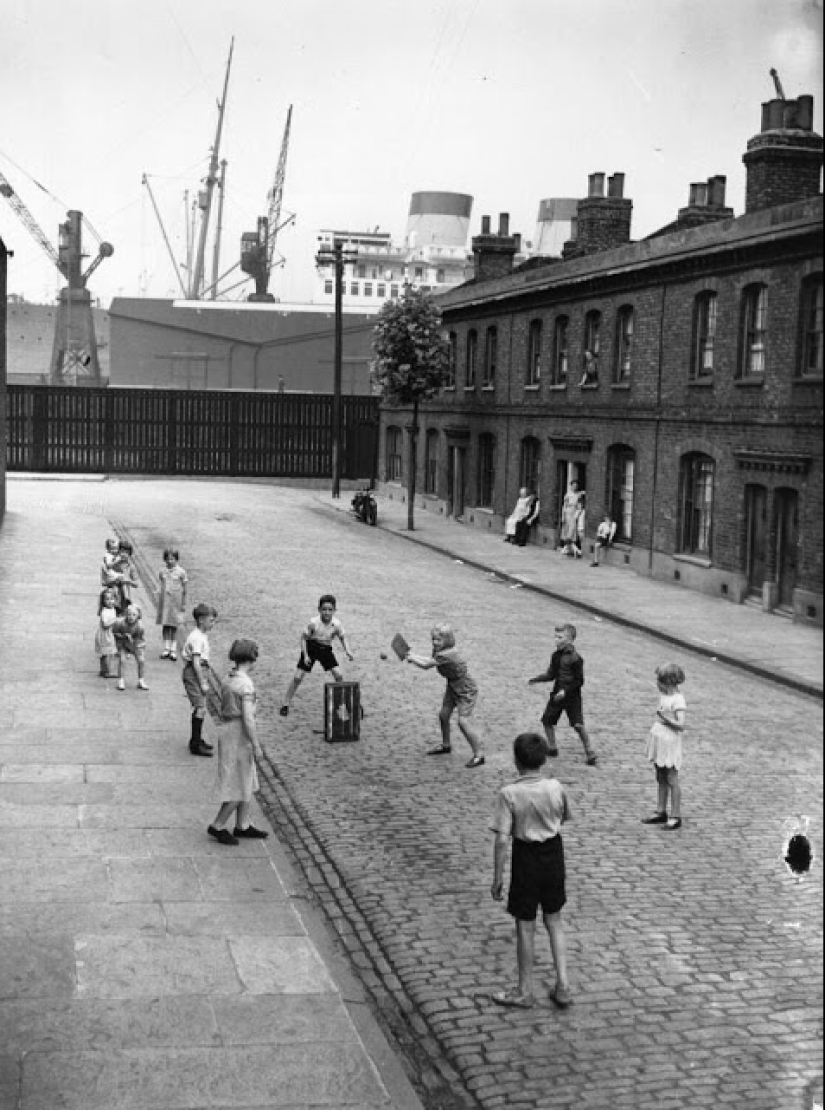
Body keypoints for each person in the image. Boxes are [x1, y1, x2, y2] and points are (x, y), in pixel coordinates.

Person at [490, 732, 572, 1010]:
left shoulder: (509, 794)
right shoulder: (555, 787)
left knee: (525, 924)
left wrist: (498, 876)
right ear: (543, 759)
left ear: (516, 760)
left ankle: (525, 990)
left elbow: (502, 839)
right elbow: (564, 816)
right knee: (554, 919)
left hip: (526, 858)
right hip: (553, 854)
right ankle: (563, 984)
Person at [208, 639, 269, 846]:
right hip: (238, 734)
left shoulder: (228, 677)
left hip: (227, 730)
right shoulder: (245, 684)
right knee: (239, 783)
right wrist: (256, 744)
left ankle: (243, 824)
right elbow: (248, 719)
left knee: (246, 778)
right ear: (252, 658)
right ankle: (218, 825)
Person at [406, 623, 485, 768]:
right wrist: (412, 655)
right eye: (433, 639)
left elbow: (426, 665)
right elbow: (428, 660)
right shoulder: (440, 651)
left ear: (447, 640)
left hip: (465, 689)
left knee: (463, 722)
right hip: (453, 685)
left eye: (438, 640)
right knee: (443, 715)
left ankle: (479, 755)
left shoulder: (447, 654)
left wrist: (411, 657)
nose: (435, 642)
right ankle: (446, 745)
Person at [528, 622, 597, 765]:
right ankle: (552, 746)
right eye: (556, 636)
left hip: (572, 696)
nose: (556, 640)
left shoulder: (576, 658)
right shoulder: (555, 656)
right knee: (547, 720)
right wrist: (537, 679)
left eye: (560, 637)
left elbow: (579, 680)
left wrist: (565, 691)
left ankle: (589, 751)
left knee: (578, 724)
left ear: (570, 640)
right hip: (557, 692)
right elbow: (551, 674)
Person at [280, 594, 354, 716]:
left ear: (335, 610)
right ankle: (286, 703)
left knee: (338, 675)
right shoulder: (313, 623)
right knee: (298, 676)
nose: (327, 612)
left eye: (330, 610)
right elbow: (303, 638)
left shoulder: (337, 624)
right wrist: (306, 655)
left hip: (325, 649)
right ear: (319, 609)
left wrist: (348, 650)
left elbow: (342, 637)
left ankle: (342, 703)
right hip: (311, 647)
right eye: (324, 609)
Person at [642, 664, 686, 831]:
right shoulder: (664, 696)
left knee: (672, 778)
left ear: (668, 682)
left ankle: (675, 815)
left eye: (660, 681)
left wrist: (665, 719)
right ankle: (661, 810)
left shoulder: (678, 699)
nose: (657, 684)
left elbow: (680, 724)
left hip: (669, 742)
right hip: (660, 740)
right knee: (660, 775)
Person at [182, 603, 218, 757]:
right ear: (201, 620)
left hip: (201, 670)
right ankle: (195, 743)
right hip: (195, 672)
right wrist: (202, 681)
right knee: (200, 707)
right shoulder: (197, 638)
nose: (213, 623)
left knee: (201, 707)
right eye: (211, 620)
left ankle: (196, 739)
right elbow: (196, 662)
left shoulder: (200, 635)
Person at [156, 547, 188, 660]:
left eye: (173, 559)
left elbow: (184, 589)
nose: (170, 561)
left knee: (174, 625)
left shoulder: (181, 572)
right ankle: (166, 648)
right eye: (168, 559)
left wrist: (183, 604)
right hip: (165, 602)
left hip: (176, 601)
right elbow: (161, 584)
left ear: (176, 560)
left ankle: (173, 649)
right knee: (165, 624)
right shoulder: (162, 571)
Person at [112, 603, 148, 691]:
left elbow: (140, 639)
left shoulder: (140, 627)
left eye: (134, 615)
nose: (131, 617)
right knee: (122, 660)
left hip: (136, 644)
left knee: (141, 661)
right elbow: (114, 632)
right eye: (129, 614)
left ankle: (141, 680)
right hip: (123, 643)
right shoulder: (120, 623)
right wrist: (123, 636)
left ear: (138, 616)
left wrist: (135, 646)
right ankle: (121, 680)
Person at [95, 586, 120, 678]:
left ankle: (103, 670)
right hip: (106, 635)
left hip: (108, 634)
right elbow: (105, 624)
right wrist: (115, 620)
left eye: (112, 599)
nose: (110, 601)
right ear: (103, 601)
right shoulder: (105, 611)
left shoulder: (112, 609)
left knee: (105, 653)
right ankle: (107, 671)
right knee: (108, 653)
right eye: (107, 599)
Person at [559, 481, 585, 557]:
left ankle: (569, 547)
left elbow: (580, 506)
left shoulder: (578, 495)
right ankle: (569, 548)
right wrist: (563, 516)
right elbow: (564, 506)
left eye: (576, 486)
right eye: (573, 486)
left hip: (574, 513)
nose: (574, 487)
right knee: (567, 530)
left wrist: (577, 514)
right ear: (571, 486)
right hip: (568, 513)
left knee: (572, 531)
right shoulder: (567, 495)